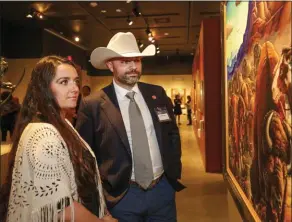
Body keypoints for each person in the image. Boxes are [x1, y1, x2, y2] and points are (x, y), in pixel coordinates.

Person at [76, 32, 185, 222]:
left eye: (137, 60)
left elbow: (172, 134)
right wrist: (98, 200)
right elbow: (84, 157)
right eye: (125, 62)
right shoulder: (92, 105)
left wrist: (172, 174)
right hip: (121, 197)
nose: (133, 67)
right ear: (110, 65)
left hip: (162, 192)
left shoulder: (157, 94)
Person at [0, 56, 117, 222]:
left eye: (75, 81)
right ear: (44, 89)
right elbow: (60, 209)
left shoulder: (62, 124)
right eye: (64, 82)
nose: (75, 88)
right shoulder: (43, 133)